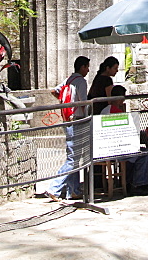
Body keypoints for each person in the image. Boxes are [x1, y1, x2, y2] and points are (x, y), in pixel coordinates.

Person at [47, 55, 90, 201]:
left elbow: (54, 91)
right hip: (76, 120)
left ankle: (74, 190)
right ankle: (54, 187)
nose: (88, 70)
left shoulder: (68, 80)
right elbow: (84, 102)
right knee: (73, 159)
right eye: (87, 67)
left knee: (74, 156)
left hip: (67, 120)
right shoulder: (81, 82)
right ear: (82, 67)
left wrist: (65, 105)